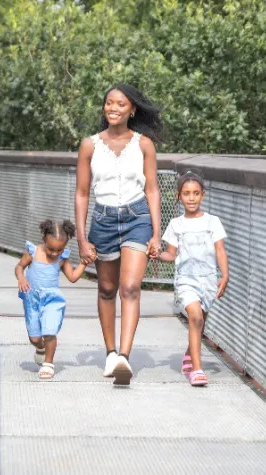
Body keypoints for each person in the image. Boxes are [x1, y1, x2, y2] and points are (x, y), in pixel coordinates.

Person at [75, 83, 164, 386]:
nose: (113, 108)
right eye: (109, 103)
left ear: (132, 110)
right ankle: (110, 353)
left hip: (137, 217)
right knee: (106, 289)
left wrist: (156, 232)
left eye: (121, 104)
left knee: (130, 287)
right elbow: (82, 193)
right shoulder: (90, 145)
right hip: (102, 220)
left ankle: (124, 357)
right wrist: (82, 238)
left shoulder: (143, 145)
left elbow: (152, 189)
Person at [154, 170, 229, 386]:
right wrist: (156, 254)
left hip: (207, 280)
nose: (191, 198)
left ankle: (190, 353)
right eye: (186, 193)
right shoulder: (176, 224)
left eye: (196, 193)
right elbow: (171, 253)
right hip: (186, 280)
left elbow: (220, 250)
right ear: (179, 196)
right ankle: (197, 369)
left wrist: (225, 275)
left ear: (203, 195)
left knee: (200, 320)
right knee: (195, 317)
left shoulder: (212, 221)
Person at [14, 219, 91, 379]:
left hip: (52, 300)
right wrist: (21, 278)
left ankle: (48, 364)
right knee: (34, 338)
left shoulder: (62, 258)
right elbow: (20, 266)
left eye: (59, 249)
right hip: (32, 299)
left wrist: (84, 263)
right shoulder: (33, 252)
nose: (55, 253)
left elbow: (73, 277)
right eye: (51, 249)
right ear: (44, 239)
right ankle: (41, 348)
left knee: (49, 331)